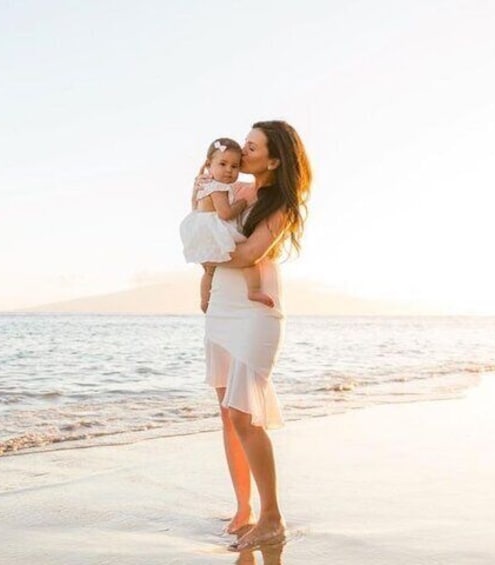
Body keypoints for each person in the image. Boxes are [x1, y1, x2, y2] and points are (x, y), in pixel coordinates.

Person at [202, 120, 311, 552]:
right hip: (223, 309)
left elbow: (247, 252)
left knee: (246, 415)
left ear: (274, 158)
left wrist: (203, 248)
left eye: (251, 146)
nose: (243, 152)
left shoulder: (282, 205)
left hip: (256, 313)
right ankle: (243, 509)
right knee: (229, 415)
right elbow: (203, 217)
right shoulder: (237, 192)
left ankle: (272, 517)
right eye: (243, 145)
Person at [180, 138, 275, 313]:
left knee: (209, 271)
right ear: (209, 164)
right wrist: (240, 205)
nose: (229, 171)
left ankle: (204, 301)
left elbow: (195, 206)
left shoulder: (205, 185)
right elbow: (225, 213)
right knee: (249, 263)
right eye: (223, 164)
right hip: (214, 229)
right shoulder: (218, 188)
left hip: (200, 231)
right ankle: (253, 291)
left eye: (234, 166)